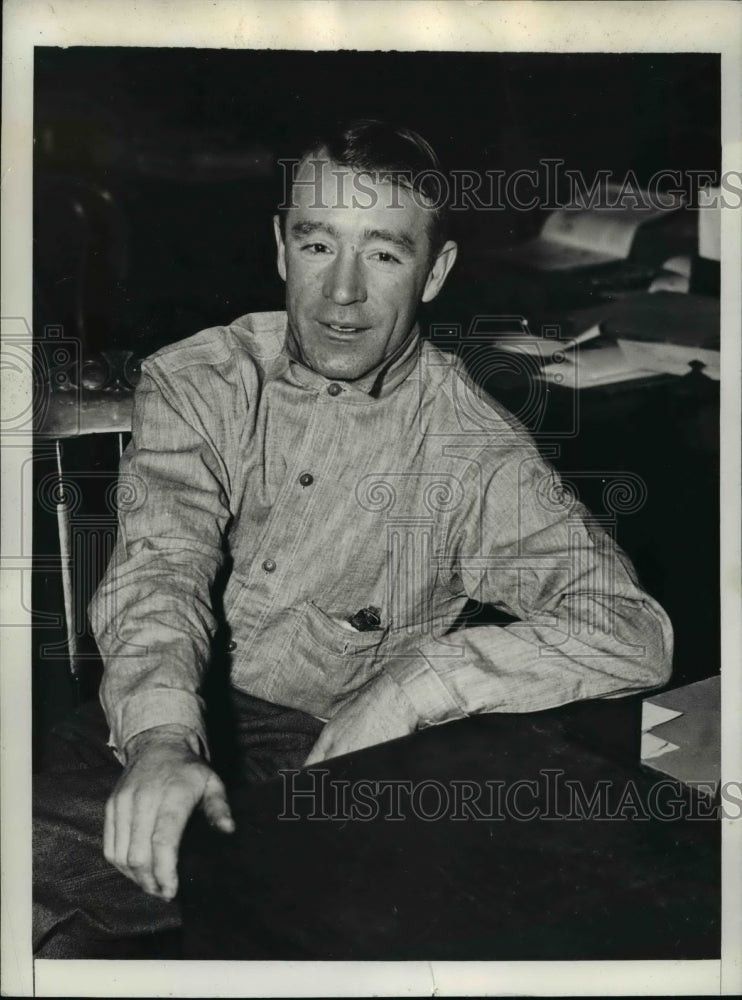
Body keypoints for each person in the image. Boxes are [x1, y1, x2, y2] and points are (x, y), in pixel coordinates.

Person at [33, 119, 673, 957]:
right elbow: (165, 565)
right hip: (142, 721)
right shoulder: (200, 377)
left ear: (436, 271)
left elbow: (634, 630)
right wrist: (160, 739)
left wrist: (420, 681)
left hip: (315, 772)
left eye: (383, 253)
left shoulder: (470, 451)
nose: (341, 292)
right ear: (279, 248)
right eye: (317, 243)